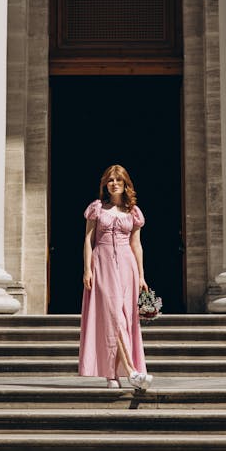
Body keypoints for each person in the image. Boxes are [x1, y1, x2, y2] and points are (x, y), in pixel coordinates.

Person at [78, 164, 153, 390]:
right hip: (102, 264)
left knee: (126, 319)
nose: (114, 184)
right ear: (105, 184)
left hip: (127, 266)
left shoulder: (133, 212)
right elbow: (88, 241)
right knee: (113, 318)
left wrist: (141, 275)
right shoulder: (97, 209)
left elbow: (136, 244)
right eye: (110, 180)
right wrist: (87, 269)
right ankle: (131, 372)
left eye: (118, 180)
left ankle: (114, 375)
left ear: (125, 184)